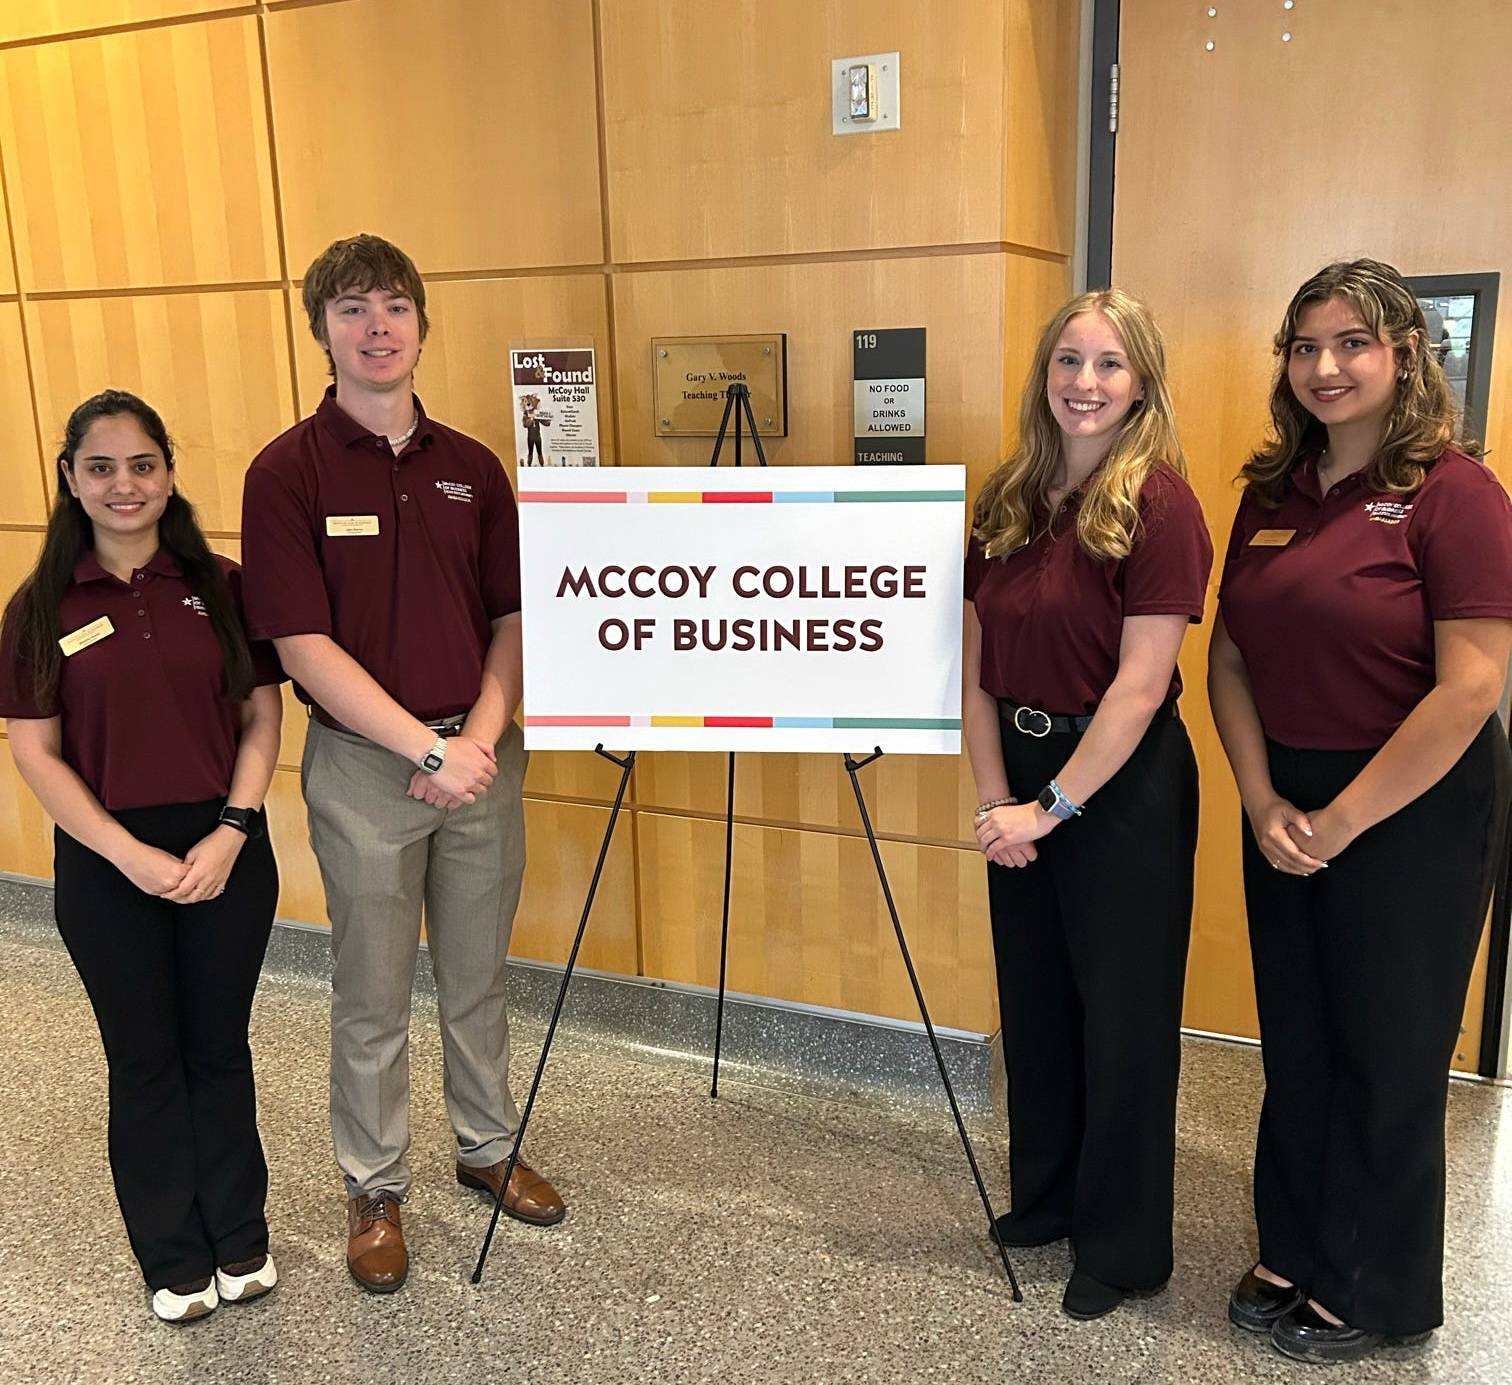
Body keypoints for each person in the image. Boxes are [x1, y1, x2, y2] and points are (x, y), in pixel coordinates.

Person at [239, 233, 563, 1296]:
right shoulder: (286, 472)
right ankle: (374, 1185)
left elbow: (513, 617)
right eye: (351, 310)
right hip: (370, 771)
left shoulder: (475, 468)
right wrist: (425, 747)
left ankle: (485, 1143)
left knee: (478, 973)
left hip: (480, 756)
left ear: (423, 324)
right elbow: (300, 646)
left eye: (393, 307)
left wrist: (474, 737)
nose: (376, 327)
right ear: (321, 329)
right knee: (371, 988)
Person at [1210, 259, 1512, 1365]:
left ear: (1404, 353)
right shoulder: (1270, 491)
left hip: (1415, 803)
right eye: (1303, 345)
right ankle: (1295, 1243)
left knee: (1388, 1049)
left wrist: (1340, 822)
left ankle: (1378, 1288)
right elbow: (1229, 658)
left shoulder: (1456, 491)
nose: (1324, 366)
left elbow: (1473, 683)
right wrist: (1262, 797)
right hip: (1284, 794)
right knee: (1297, 1038)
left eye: (1351, 342)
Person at [0, 390, 284, 1323]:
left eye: (143, 464)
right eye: (102, 467)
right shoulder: (40, 605)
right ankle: (173, 1256)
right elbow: (35, 750)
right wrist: (124, 852)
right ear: (72, 481)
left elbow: (260, 715)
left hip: (223, 848)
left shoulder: (224, 584)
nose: (125, 485)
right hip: (104, 859)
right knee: (144, 1059)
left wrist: (232, 830)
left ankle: (241, 1237)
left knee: (219, 1048)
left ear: (169, 472)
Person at [963, 289, 1213, 1319]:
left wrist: (1050, 807)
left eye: (1110, 364)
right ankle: (1050, 1196)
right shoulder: (1011, 494)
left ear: (1142, 380)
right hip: (1017, 779)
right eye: (1069, 360)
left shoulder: (1160, 503)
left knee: (1123, 1020)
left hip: (1120, 789)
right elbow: (974, 669)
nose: (1085, 382)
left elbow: (1142, 682)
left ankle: (1122, 1245)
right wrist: (995, 799)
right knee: (1037, 1004)